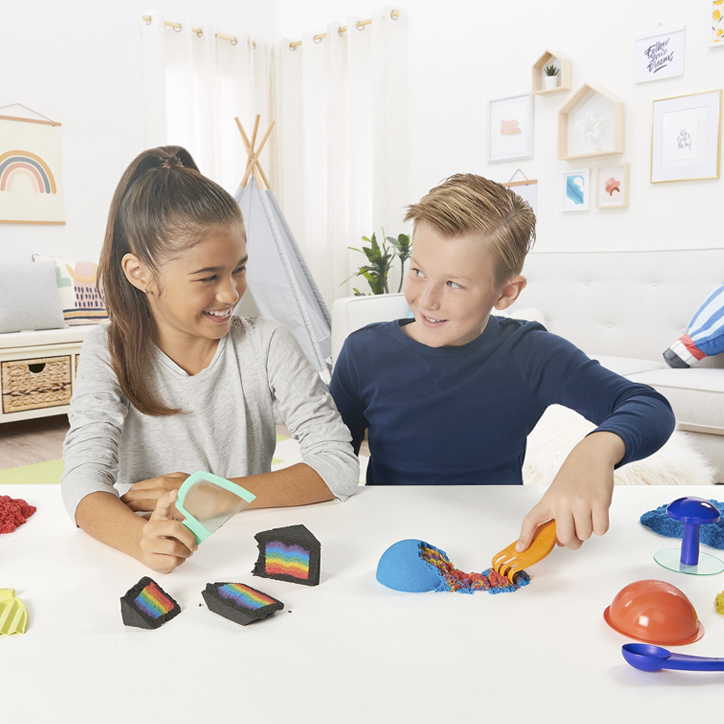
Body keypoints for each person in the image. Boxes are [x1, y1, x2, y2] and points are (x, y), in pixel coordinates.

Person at [330, 174, 675, 553]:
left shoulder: (530, 353)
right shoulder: (363, 352)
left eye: (454, 284)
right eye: (418, 272)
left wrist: (596, 450)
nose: (426, 300)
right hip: (389, 541)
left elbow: (648, 406)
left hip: (497, 542)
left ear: (506, 292)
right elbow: (331, 460)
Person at [62, 146, 358, 573]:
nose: (231, 294)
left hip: (247, 555)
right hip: (147, 559)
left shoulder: (268, 343)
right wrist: (140, 540)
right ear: (139, 273)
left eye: (238, 269)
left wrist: (208, 494)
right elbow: (81, 480)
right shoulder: (108, 350)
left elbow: (338, 466)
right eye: (208, 277)